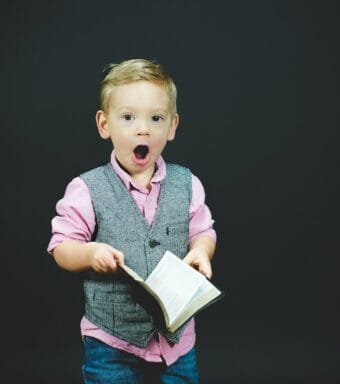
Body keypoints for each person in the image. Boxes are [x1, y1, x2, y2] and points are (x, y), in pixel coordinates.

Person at [47, 58, 216, 383]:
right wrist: (89, 253)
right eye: (128, 117)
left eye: (156, 118)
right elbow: (60, 247)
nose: (143, 128)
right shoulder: (87, 188)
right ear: (104, 124)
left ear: (172, 126)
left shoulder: (188, 183)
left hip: (176, 339)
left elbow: (203, 230)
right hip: (111, 338)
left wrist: (202, 251)